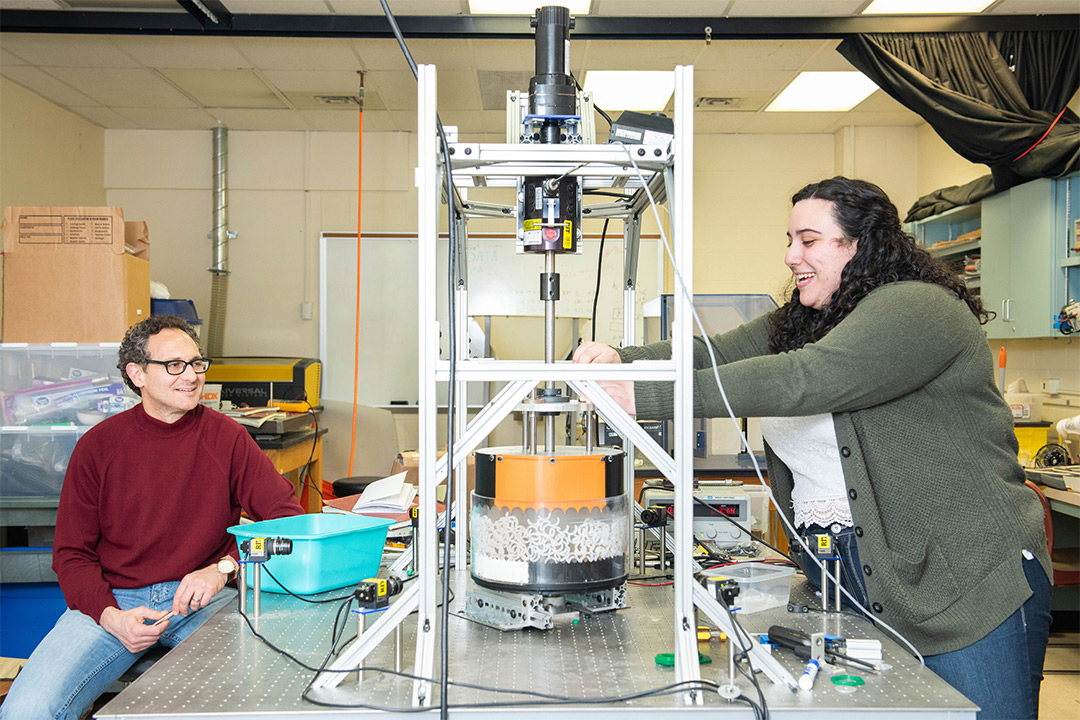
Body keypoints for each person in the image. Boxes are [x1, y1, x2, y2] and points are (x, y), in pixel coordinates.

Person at [574, 176, 1052, 720]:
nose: (790, 255)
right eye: (789, 240)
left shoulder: (921, 309)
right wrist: (620, 357)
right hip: (849, 576)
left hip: (964, 578)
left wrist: (648, 393)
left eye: (808, 240)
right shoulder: (806, 320)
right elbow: (709, 353)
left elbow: (809, 379)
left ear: (861, 243)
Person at [1, 315, 305, 720]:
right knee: (27, 711)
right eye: (175, 365)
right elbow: (72, 555)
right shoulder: (98, 447)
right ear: (137, 374)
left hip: (205, 597)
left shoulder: (227, 437)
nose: (193, 376)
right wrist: (110, 616)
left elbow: (287, 522)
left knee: (257, 698)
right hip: (113, 600)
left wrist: (223, 569)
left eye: (197, 363)